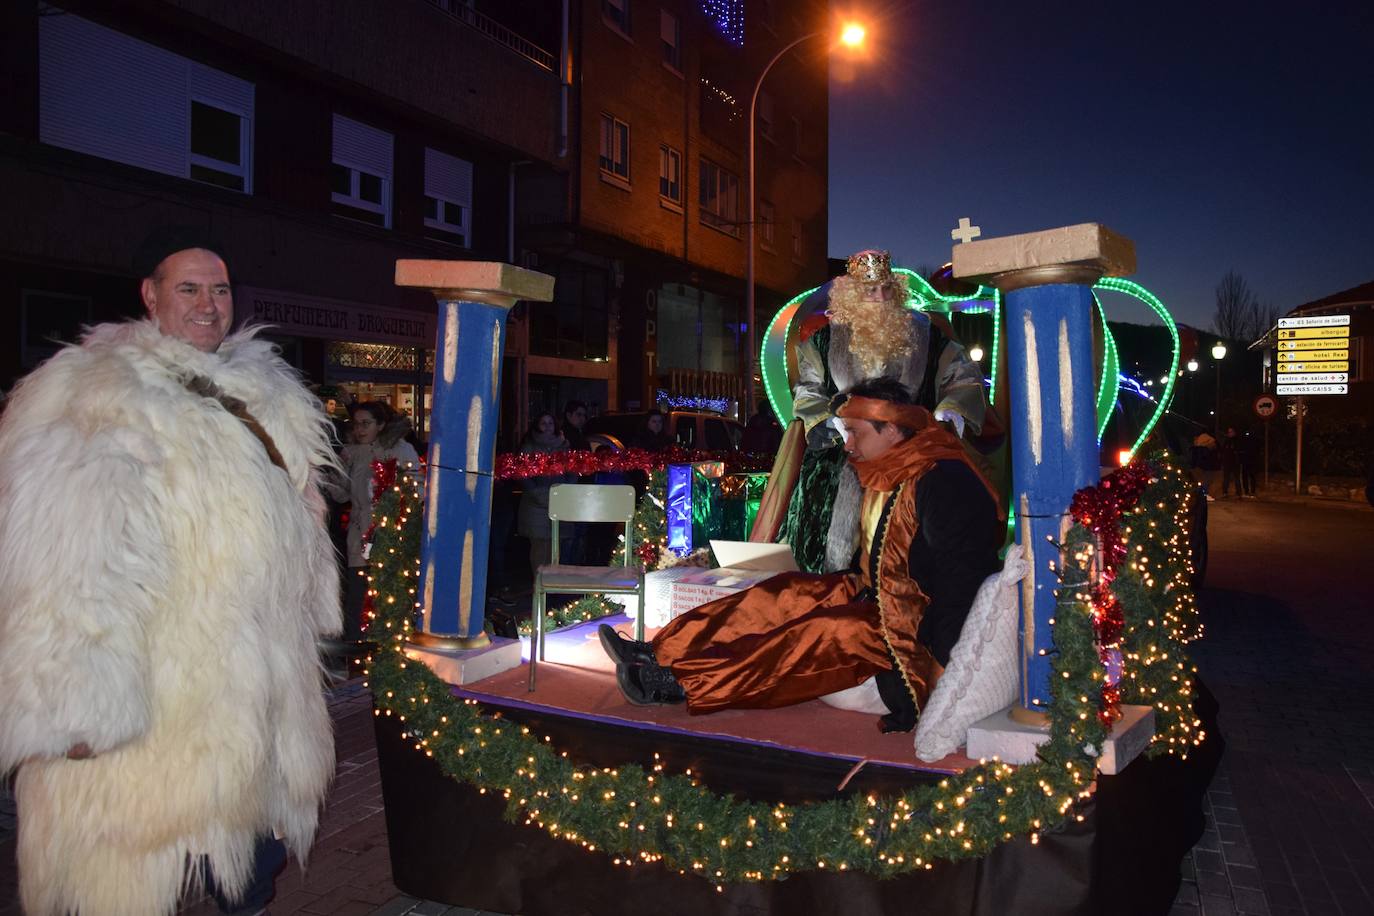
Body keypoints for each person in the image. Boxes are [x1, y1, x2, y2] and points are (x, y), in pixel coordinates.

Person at [0, 228, 340, 916]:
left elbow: (302, 518)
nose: (209, 304)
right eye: (188, 288)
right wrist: (76, 704)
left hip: (254, 683)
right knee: (133, 862)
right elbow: (65, 558)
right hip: (156, 690)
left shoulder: (265, 393)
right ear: (150, 297)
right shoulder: (95, 390)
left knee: (246, 864)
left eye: (219, 289)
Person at [599, 378, 1002, 732]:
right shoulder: (887, 468)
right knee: (782, 593)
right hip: (876, 596)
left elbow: (963, 582)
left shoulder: (945, 479)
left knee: (822, 633)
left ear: (893, 429)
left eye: (856, 433)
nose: (848, 445)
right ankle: (660, 650)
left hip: (914, 633)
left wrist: (945, 678)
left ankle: (681, 683)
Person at [779, 250, 989, 573]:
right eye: (869, 290)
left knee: (908, 557)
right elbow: (808, 392)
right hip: (840, 459)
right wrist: (831, 423)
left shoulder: (926, 335)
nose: (879, 298)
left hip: (908, 458)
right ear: (851, 295)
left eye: (886, 289)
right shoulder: (822, 341)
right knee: (828, 565)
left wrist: (949, 414)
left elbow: (964, 378)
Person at [323, 401, 421, 640]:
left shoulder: (400, 450)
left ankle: (391, 648)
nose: (359, 430)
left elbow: (415, 488)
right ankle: (357, 654)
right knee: (358, 597)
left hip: (392, 536)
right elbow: (342, 493)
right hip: (360, 537)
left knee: (390, 596)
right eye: (356, 424)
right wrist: (330, 474)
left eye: (366, 423)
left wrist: (392, 492)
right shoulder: (352, 453)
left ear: (381, 424)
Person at [517, 411, 571, 573]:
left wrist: (566, 489)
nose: (547, 427)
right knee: (539, 546)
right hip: (536, 504)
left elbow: (573, 470)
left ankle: (553, 586)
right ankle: (539, 583)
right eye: (543, 423)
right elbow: (521, 474)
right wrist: (536, 492)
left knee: (556, 547)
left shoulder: (564, 446)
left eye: (550, 423)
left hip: (560, 500)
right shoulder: (529, 447)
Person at [1219, 427, 1240, 498]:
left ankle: (1238, 493)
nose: (1230, 434)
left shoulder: (1237, 440)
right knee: (1226, 478)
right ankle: (1225, 492)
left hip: (1235, 462)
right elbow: (1223, 450)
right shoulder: (1226, 441)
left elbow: (1238, 450)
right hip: (1227, 462)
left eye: (1231, 432)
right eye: (1229, 432)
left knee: (1236, 478)